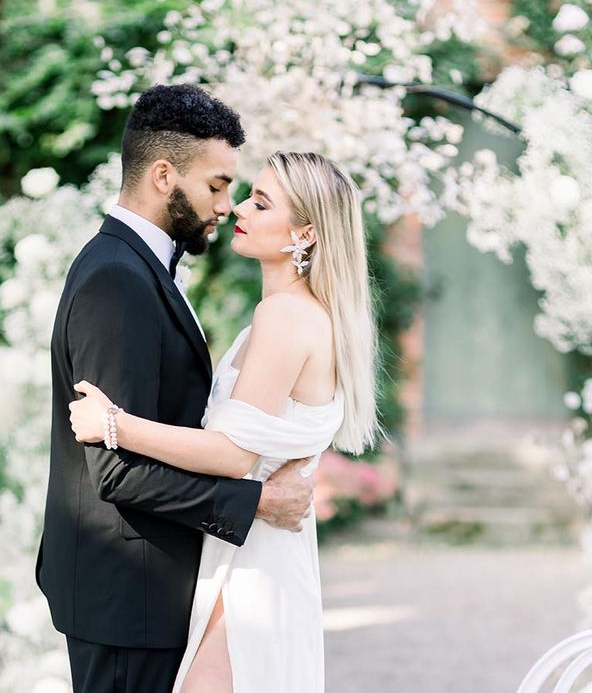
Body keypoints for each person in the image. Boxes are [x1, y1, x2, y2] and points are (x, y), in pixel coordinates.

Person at [34, 84, 316, 693]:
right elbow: (114, 470)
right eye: (216, 185)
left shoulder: (140, 267)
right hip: (127, 595)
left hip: (144, 590)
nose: (227, 204)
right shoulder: (118, 279)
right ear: (164, 175)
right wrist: (258, 503)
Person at [70, 150, 381, 692]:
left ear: (305, 234)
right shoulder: (298, 313)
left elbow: (233, 453)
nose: (239, 206)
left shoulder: (284, 316)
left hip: (254, 569)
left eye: (261, 203)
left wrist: (114, 424)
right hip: (254, 551)